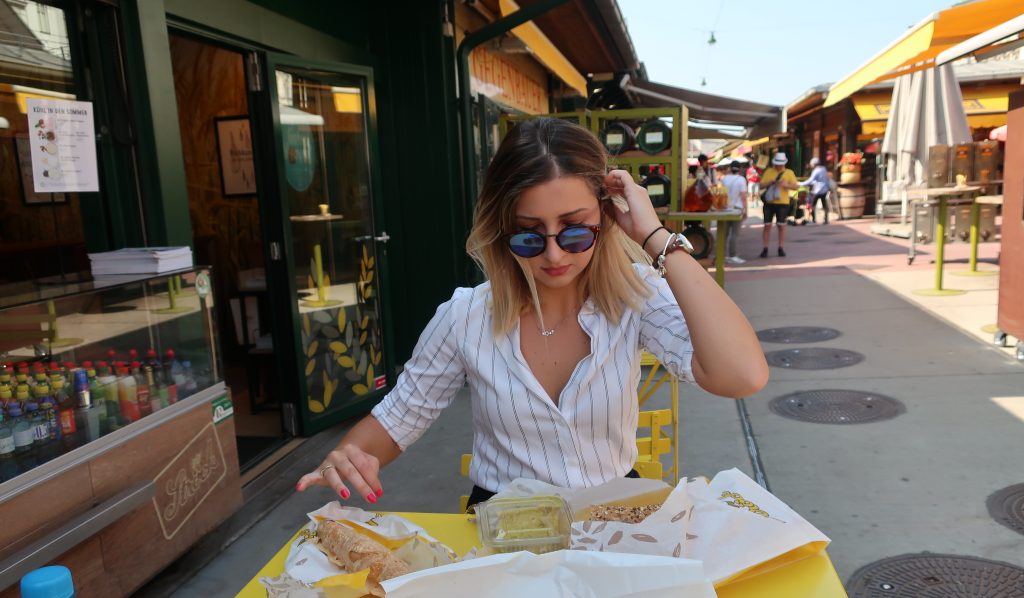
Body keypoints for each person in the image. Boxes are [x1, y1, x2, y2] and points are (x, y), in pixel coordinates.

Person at [296, 118, 768, 506]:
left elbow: (740, 375)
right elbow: (400, 417)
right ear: (500, 229)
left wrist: (656, 238)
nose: (554, 255)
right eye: (527, 233)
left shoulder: (633, 295)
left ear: (606, 218)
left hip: (619, 516)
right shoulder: (465, 316)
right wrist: (349, 454)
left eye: (575, 230)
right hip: (505, 524)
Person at [758, 152, 798, 258]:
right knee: (767, 225)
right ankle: (765, 248)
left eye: (780, 164)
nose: (778, 166)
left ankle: (781, 247)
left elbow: (796, 186)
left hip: (783, 203)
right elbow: (761, 185)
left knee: (781, 226)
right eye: (777, 163)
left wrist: (786, 185)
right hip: (769, 203)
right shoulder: (769, 172)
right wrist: (770, 182)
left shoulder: (789, 172)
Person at [721, 160, 748, 264]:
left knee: (724, 233)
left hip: (726, 208)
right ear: (739, 169)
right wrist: (745, 210)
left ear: (730, 168)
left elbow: (722, 194)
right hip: (737, 209)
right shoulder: (741, 180)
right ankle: (732, 255)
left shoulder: (725, 179)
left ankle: (722, 255)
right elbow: (743, 197)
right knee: (734, 234)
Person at [798, 157, 830, 224]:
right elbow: (822, 179)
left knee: (813, 205)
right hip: (825, 189)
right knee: (824, 204)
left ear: (814, 164)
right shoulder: (824, 169)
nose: (811, 165)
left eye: (811, 164)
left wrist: (800, 183)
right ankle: (826, 219)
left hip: (817, 190)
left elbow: (810, 180)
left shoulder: (816, 171)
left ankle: (813, 219)